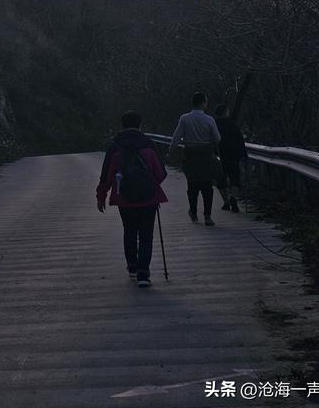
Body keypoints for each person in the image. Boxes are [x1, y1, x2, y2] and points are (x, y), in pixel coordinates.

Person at [96, 111, 168, 287]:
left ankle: (132, 267)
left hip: (124, 199)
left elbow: (106, 176)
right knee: (146, 236)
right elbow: (161, 173)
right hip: (148, 199)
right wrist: (149, 184)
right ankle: (144, 274)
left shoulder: (115, 147)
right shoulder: (148, 145)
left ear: (122, 125)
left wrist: (101, 196)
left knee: (129, 231)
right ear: (140, 125)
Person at [168, 92, 221, 226]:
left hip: (190, 154)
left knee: (192, 185)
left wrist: (171, 150)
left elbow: (176, 137)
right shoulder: (209, 120)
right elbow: (217, 138)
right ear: (203, 102)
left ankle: (193, 213)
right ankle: (208, 216)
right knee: (207, 186)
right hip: (206, 154)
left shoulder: (184, 118)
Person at [215, 104, 248, 212]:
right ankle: (233, 198)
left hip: (219, 156)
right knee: (235, 178)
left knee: (220, 180)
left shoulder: (213, 125)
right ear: (226, 112)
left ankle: (226, 202)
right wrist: (243, 155)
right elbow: (240, 141)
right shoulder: (233, 125)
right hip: (233, 156)